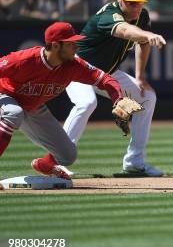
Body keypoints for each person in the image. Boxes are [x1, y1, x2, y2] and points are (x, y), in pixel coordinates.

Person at [62, 0, 167, 177]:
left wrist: (140, 76)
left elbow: (142, 43)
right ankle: (56, 161)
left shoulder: (142, 16)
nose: (135, 7)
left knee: (147, 97)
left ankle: (134, 162)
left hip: (106, 73)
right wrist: (145, 35)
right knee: (86, 103)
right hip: (78, 68)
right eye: (130, 2)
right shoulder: (110, 15)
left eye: (139, 2)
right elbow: (126, 31)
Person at [0, 22, 123, 179]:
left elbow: (105, 79)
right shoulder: (24, 60)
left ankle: (45, 165)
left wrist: (117, 99)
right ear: (56, 45)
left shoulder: (73, 65)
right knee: (13, 112)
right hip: (5, 96)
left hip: (33, 107)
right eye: (71, 44)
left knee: (67, 155)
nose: (76, 47)